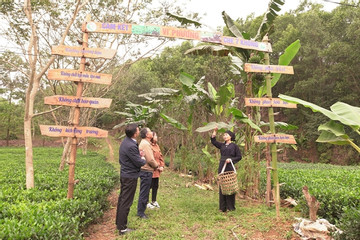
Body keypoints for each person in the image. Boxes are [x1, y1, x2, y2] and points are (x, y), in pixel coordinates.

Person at [115, 123, 146, 235]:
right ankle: (122, 228)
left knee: (122, 199)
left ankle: (119, 223)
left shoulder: (126, 142)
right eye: (138, 130)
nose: (139, 131)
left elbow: (132, 157)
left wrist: (138, 154)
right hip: (130, 177)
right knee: (126, 202)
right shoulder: (131, 145)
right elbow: (139, 162)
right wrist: (142, 158)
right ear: (135, 133)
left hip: (125, 175)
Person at [211, 127, 242, 212]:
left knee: (230, 186)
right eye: (224, 135)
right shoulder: (222, 145)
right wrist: (215, 131)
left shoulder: (234, 146)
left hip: (230, 167)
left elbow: (239, 157)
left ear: (231, 136)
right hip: (222, 166)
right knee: (222, 186)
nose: (224, 136)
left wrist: (231, 160)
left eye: (226, 135)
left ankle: (231, 207)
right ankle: (222, 207)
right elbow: (213, 141)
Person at [137, 127, 159, 219]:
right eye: (150, 131)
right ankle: (141, 212)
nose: (152, 133)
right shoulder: (145, 144)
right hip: (146, 170)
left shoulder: (145, 143)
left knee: (145, 191)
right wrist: (156, 165)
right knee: (144, 191)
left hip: (146, 170)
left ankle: (142, 210)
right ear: (147, 135)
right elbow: (150, 159)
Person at [147, 131, 165, 209]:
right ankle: (146, 202)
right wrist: (156, 166)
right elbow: (150, 159)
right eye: (155, 136)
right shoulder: (148, 146)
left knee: (155, 186)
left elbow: (160, 157)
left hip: (157, 171)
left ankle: (154, 201)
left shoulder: (157, 146)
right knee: (148, 186)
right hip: (151, 169)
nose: (157, 137)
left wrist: (162, 166)